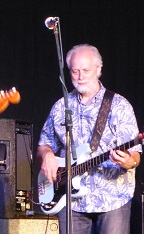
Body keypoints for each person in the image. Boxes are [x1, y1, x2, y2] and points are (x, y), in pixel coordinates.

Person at [37, 44, 142, 234]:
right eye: (75, 71)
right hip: (70, 200)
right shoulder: (61, 107)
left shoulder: (119, 105)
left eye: (86, 70)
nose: (80, 76)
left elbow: (135, 155)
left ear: (99, 69)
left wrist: (129, 161)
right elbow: (44, 143)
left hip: (112, 198)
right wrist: (47, 156)